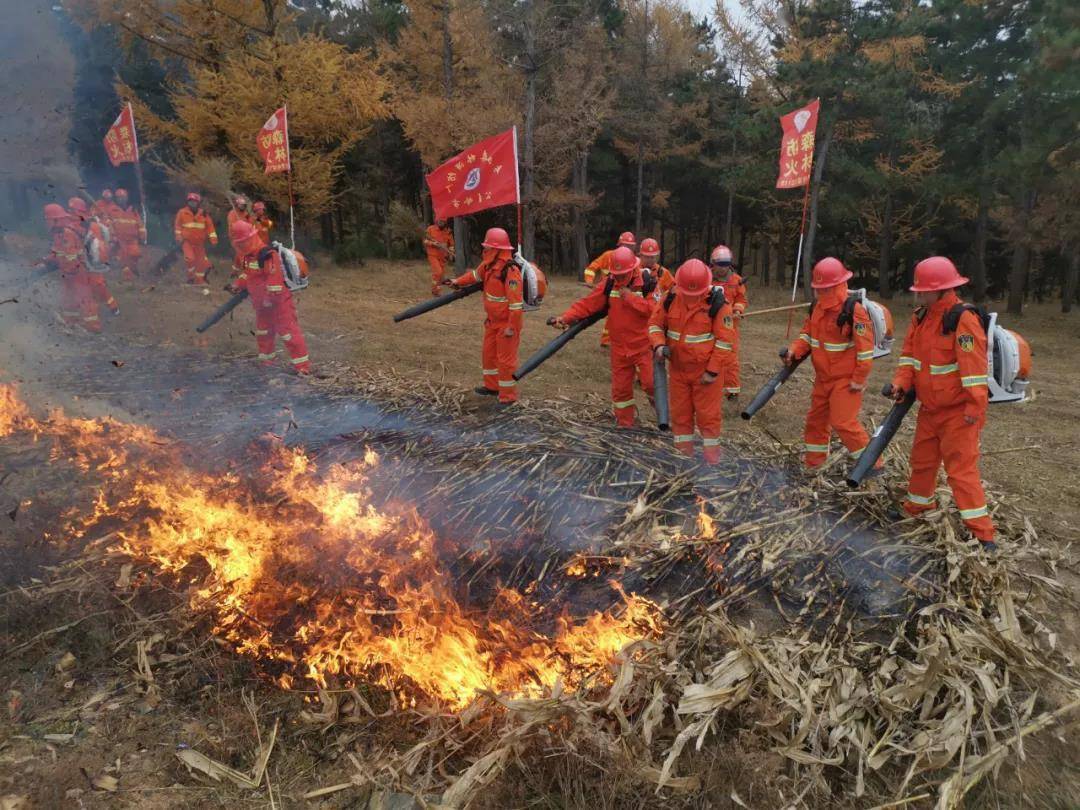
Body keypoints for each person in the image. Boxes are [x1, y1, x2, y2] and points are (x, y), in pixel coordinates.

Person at [884, 256, 995, 549]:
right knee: (922, 462)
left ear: (942, 289)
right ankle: (918, 508)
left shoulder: (963, 319)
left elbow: (974, 370)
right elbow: (909, 357)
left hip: (958, 413)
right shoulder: (921, 317)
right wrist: (901, 383)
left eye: (924, 291)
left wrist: (974, 407)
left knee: (961, 472)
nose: (918, 296)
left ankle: (983, 534)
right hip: (930, 410)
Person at [783, 257, 879, 472]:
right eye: (818, 289)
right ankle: (814, 464)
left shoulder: (854, 310)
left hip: (845, 379)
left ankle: (872, 467)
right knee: (816, 421)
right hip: (823, 378)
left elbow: (865, 350)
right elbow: (807, 335)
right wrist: (794, 351)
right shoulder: (817, 307)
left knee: (843, 422)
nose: (820, 293)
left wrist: (859, 379)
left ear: (837, 285)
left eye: (824, 289)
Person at [550, 246, 655, 427]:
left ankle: (664, 418)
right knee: (621, 391)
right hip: (619, 348)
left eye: (622, 275)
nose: (619, 279)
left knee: (651, 384)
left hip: (643, 346)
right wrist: (565, 318)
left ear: (632, 270)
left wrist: (630, 298)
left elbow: (655, 311)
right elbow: (587, 304)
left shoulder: (647, 282)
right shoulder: (609, 283)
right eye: (616, 275)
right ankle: (625, 425)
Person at [648, 259, 736, 463]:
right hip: (678, 371)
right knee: (680, 417)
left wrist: (712, 371)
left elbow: (725, 342)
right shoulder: (670, 298)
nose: (690, 296)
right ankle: (683, 459)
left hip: (705, 374)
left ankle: (712, 463)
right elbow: (655, 325)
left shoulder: (718, 304)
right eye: (686, 292)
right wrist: (659, 345)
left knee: (708, 419)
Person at [447, 227, 522, 407]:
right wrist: (457, 282)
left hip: (506, 325)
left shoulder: (510, 271)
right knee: (488, 355)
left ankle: (508, 397)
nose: (485, 249)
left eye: (488, 246)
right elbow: (475, 275)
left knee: (505, 361)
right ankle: (492, 387)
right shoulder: (488, 265)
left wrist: (512, 327)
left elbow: (516, 305)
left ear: (497, 249)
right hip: (492, 322)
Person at [227, 220, 311, 374]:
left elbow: (275, 283)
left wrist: (268, 300)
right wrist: (238, 284)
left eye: (243, 242)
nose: (241, 246)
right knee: (263, 334)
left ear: (251, 238)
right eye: (239, 243)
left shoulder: (268, 255)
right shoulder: (249, 257)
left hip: (279, 304)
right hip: (262, 306)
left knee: (289, 335)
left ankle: (303, 368)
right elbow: (249, 275)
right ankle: (267, 364)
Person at [43, 203, 99, 332]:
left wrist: (68, 270)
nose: (47, 223)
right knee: (69, 300)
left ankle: (93, 328)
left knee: (85, 300)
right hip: (68, 274)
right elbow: (56, 252)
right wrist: (45, 261)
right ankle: (71, 324)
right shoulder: (58, 234)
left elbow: (71, 257)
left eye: (48, 220)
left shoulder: (68, 234)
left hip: (78, 273)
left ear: (56, 220)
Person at [68, 197, 119, 316]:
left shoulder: (93, 225)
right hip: (81, 264)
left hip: (92, 262)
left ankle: (113, 307)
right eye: (70, 210)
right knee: (82, 288)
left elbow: (99, 243)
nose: (71, 213)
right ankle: (83, 313)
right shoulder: (71, 226)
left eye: (73, 210)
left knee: (98, 285)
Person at [584, 231, 636, 347]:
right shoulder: (608, 256)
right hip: (606, 292)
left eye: (630, 246)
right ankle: (607, 340)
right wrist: (589, 280)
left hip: (623, 293)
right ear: (619, 245)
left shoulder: (633, 260)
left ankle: (611, 340)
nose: (627, 248)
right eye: (625, 245)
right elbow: (591, 268)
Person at [709, 245, 747, 399]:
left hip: (729, 324)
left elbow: (741, 299)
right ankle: (710, 382)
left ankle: (732, 390)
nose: (723, 268)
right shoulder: (706, 278)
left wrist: (738, 310)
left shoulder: (737, 281)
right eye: (720, 264)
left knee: (730, 358)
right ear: (713, 263)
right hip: (709, 323)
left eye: (726, 265)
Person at [174, 192, 218, 286]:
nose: (192, 204)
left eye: (194, 202)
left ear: (198, 203)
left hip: (200, 244)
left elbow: (210, 228)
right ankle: (190, 278)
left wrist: (213, 239)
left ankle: (199, 281)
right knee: (190, 259)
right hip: (187, 242)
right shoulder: (182, 212)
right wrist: (178, 236)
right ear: (187, 202)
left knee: (201, 263)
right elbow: (177, 226)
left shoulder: (204, 214)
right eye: (190, 202)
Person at [110, 188, 146, 282]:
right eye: (119, 197)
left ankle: (133, 270)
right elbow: (109, 225)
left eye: (123, 197)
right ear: (116, 199)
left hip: (132, 239)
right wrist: (112, 237)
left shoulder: (133, 210)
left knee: (135, 254)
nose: (121, 199)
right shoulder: (112, 211)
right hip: (120, 240)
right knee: (124, 259)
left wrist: (142, 236)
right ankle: (128, 279)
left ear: (127, 198)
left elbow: (140, 224)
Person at [423, 218, 455, 296]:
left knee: (441, 275)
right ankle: (434, 290)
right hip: (433, 255)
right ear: (437, 221)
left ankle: (437, 292)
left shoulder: (448, 231)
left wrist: (451, 253)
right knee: (438, 272)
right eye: (440, 221)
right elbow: (425, 241)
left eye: (443, 222)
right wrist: (433, 244)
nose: (441, 223)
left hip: (443, 257)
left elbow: (451, 244)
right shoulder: (430, 229)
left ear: (445, 222)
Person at [227, 194, 253, 275]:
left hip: (245, 238)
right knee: (242, 254)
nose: (243, 207)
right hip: (236, 238)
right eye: (241, 205)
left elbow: (251, 224)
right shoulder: (232, 214)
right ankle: (246, 272)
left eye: (244, 205)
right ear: (237, 205)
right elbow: (232, 226)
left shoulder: (246, 214)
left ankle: (235, 271)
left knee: (239, 254)